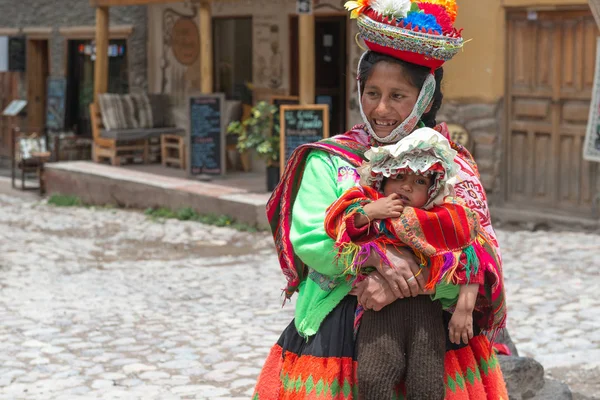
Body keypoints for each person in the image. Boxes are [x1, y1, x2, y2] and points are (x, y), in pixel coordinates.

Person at [253, 0, 508, 398]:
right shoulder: (330, 160)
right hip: (339, 335)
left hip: (435, 333)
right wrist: (375, 259)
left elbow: (481, 248)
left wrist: (415, 281)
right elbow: (311, 241)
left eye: (398, 96)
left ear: (424, 97)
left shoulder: (451, 164)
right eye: (372, 92)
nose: (381, 109)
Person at [324, 127, 503, 399]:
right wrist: (370, 212)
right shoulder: (371, 208)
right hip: (379, 315)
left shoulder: (446, 220)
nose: (407, 186)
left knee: (427, 383)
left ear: (433, 190)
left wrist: (464, 309)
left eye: (420, 181)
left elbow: (472, 260)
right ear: (381, 180)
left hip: (426, 315)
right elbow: (339, 227)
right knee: (374, 377)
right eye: (398, 176)